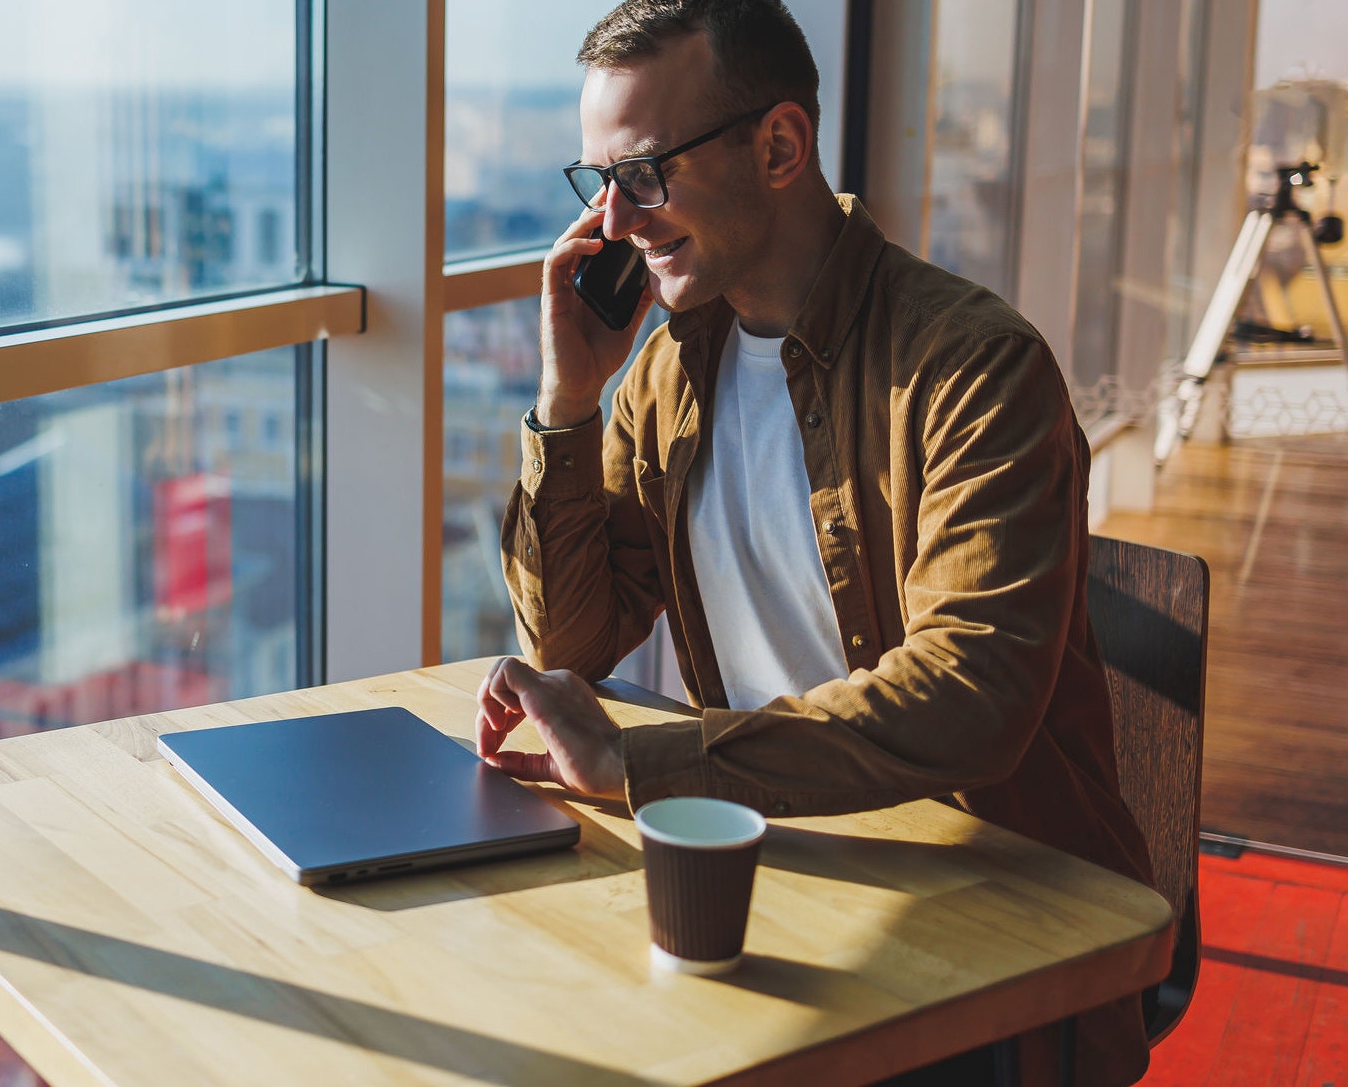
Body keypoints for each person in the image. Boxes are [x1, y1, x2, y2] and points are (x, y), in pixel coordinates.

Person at [473, 2, 1156, 1084]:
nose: (614, 222)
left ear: (780, 146)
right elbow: (579, 638)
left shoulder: (973, 370)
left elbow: (967, 695)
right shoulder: (662, 373)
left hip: (998, 929)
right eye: (596, 182)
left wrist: (639, 761)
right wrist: (565, 401)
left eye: (643, 175)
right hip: (779, 870)